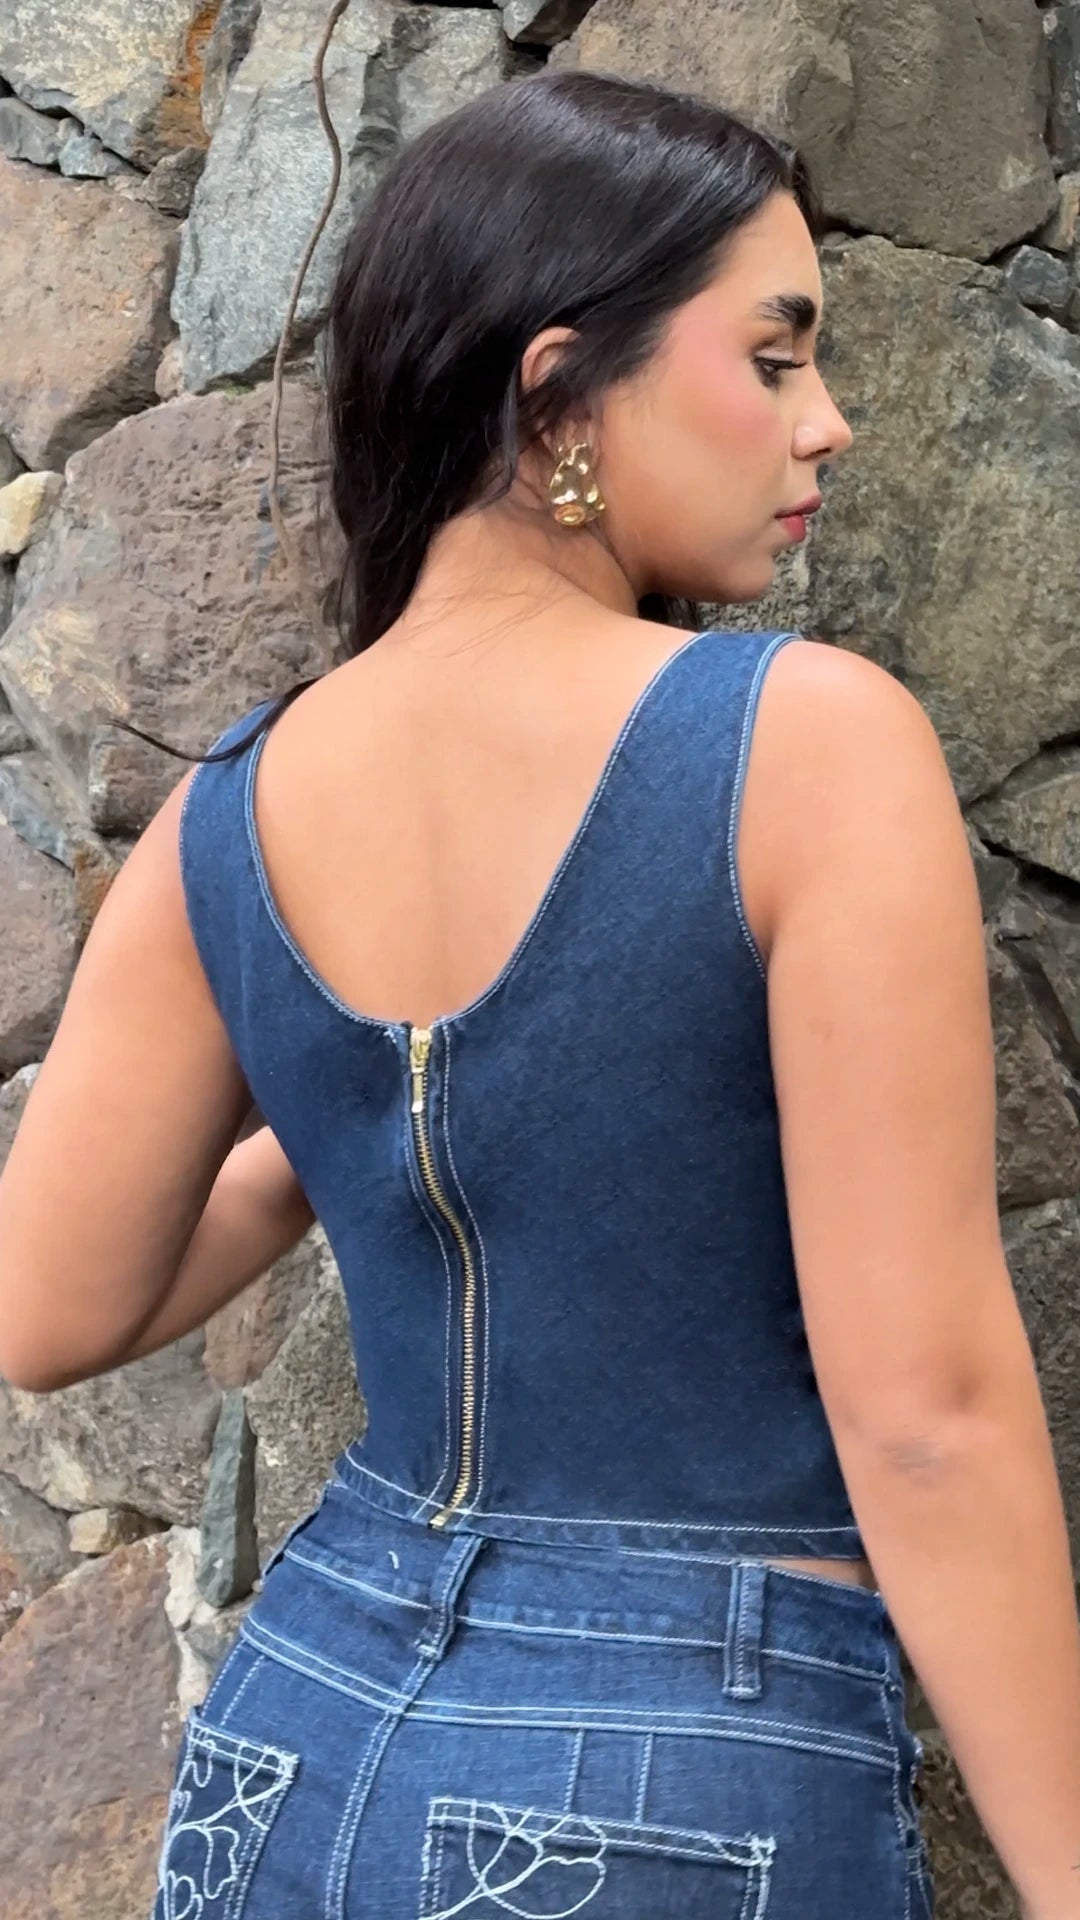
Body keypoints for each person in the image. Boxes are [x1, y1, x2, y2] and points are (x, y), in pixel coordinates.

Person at [0, 66, 1077, 1920]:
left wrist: (365, 1118)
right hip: (671, 1780)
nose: (826, 421)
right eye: (775, 356)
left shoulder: (225, 812)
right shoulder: (802, 746)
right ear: (559, 387)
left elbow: (44, 1309)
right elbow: (928, 1413)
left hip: (291, 1745)